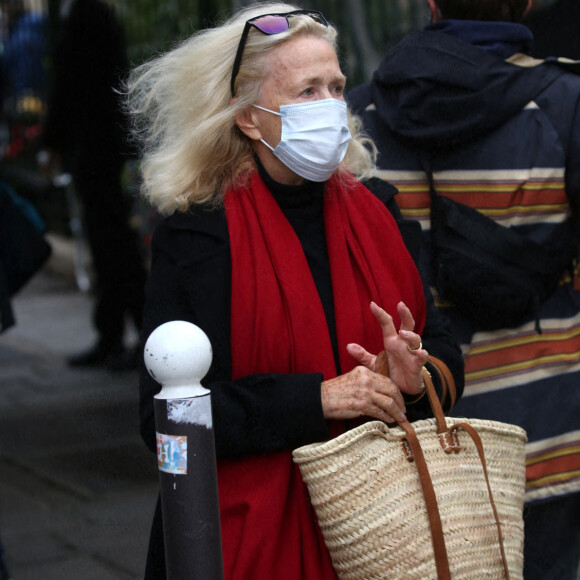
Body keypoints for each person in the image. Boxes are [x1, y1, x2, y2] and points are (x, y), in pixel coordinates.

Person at [126, 3, 464, 578]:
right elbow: (163, 425)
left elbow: (444, 352)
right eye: (307, 91)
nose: (331, 106)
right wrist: (320, 400)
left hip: (379, 532)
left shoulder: (380, 210)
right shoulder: (198, 234)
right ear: (249, 118)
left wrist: (413, 383)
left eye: (336, 86)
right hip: (238, 541)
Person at [347, 1, 580, 579]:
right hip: (555, 428)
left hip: (425, 444)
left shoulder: (357, 113)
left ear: (429, 4)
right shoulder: (564, 102)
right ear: (526, 3)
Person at [39, 0, 146, 370]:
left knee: (113, 243)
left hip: (97, 147)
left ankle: (135, 334)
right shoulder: (91, 14)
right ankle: (114, 333)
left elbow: (72, 81)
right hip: (99, 146)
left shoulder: (88, 15)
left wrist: (52, 140)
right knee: (109, 243)